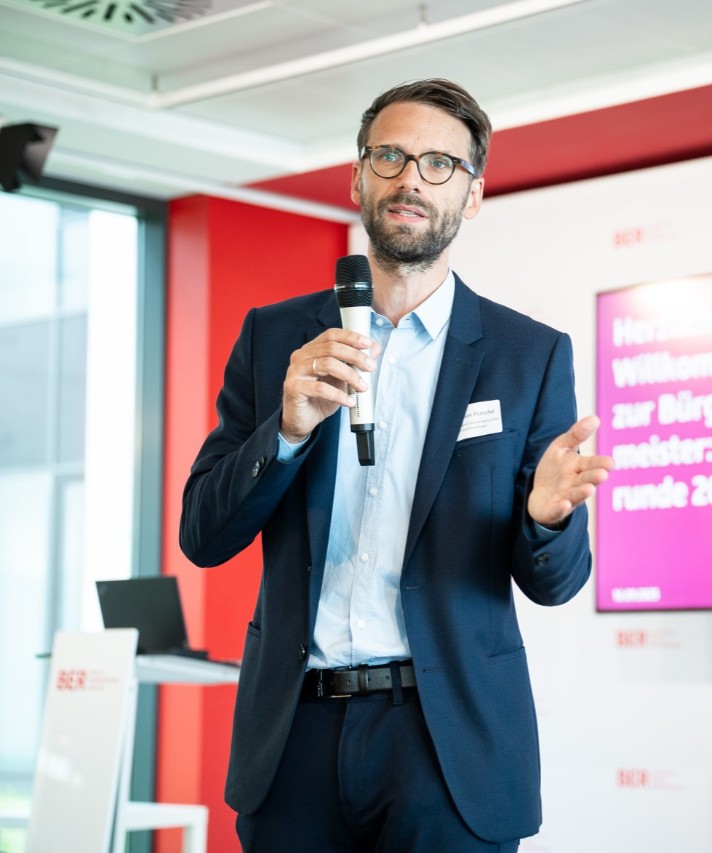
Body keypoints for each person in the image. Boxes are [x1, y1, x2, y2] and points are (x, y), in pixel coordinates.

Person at [179, 78, 614, 852]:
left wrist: (547, 519)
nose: (411, 177)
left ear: (472, 196)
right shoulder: (275, 337)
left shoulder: (527, 356)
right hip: (294, 738)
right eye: (390, 155)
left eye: (440, 164)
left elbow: (553, 584)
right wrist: (282, 430)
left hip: (445, 742)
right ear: (358, 177)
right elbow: (203, 535)